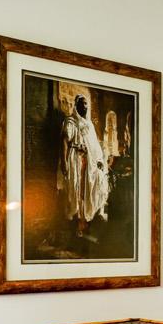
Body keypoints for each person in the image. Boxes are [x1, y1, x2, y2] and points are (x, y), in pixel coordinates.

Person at [58, 94, 110, 238]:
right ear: (76, 106)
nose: (85, 107)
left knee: (89, 190)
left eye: (86, 104)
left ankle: (87, 223)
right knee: (77, 191)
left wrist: (99, 160)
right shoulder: (70, 122)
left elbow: (94, 145)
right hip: (76, 161)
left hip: (89, 163)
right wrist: (64, 163)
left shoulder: (89, 125)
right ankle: (78, 225)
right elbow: (64, 143)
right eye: (82, 104)